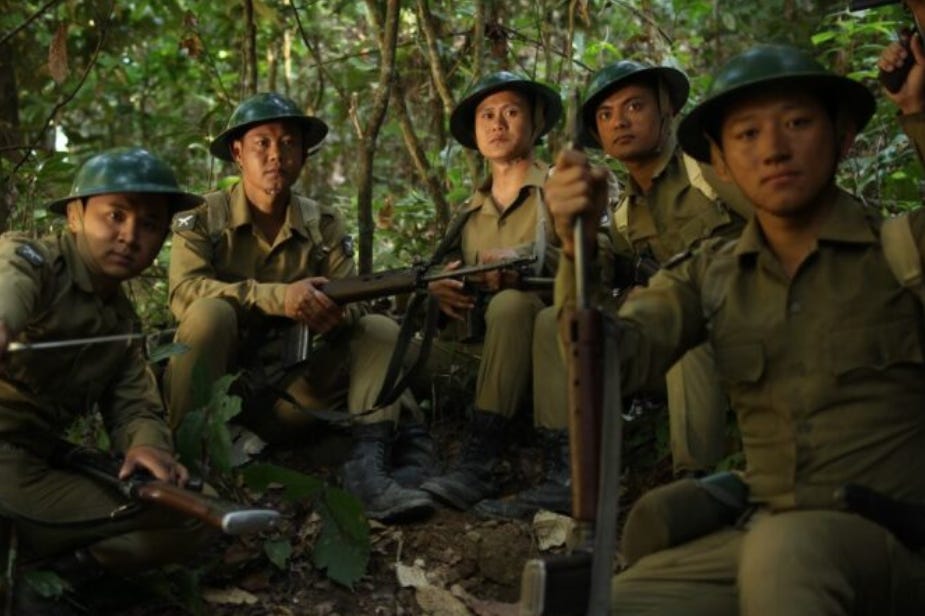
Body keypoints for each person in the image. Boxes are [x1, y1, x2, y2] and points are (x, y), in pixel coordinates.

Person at [546, 44, 925, 614]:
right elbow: (604, 367)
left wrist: (918, 115)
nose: (773, 150)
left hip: (899, 537)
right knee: (615, 601)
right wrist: (575, 244)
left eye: (797, 123)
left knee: (787, 550)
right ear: (721, 162)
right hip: (772, 527)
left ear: (843, 137)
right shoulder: (711, 274)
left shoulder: (901, 250)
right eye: (746, 135)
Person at [164, 92, 433, 523]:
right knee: (209, 313)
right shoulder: (204, 218)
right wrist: (279, 298)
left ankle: (370, 469)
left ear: (304, 154)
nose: (276, 155)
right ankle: (184, 464)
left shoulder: (322, 224)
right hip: (220, 394)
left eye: (289, 143)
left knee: (380, 329)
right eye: (262, 144)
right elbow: (184, 293)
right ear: (238, 153)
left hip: (293, 395)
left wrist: (333, 316)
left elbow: (357, 305)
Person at [0, 148, 214, 609]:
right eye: (114, 215)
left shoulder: (121, 321)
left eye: (150, 224)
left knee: (196, 510)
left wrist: (148, 445)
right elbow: (11, 279)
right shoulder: (37, 262)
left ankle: (59, 580)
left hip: (43, 462)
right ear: (75, 216)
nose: (130, 236)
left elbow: (135, 403)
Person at [578, 59, 750, 477]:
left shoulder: (709, 169)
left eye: (634, 106)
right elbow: (601, 284)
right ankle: (578, 468)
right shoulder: (621, 217)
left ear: (667, 109)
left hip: (753, 323)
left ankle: (698, 482)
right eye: (606, 114)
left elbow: (780, 227)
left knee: (689, 331)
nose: (619, 122)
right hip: (683, 351)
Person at [418, 72, 571, 518]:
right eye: (486, 115)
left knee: (512, 303)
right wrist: (438, 290)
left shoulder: (562, 188)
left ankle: (481, 460)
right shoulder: (469, 213)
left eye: (510, 112)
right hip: (483, 355)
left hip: (553, 358)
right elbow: (432, 275)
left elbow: (596, 262)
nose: (497, 123)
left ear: (536, 122)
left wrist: (522, 261)